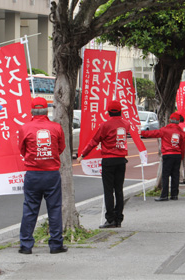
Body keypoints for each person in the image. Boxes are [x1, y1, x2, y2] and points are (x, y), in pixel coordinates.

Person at [18, 97, 67, 255]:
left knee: (30, 209)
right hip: (51, 173)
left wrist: (34, 158)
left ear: (32, 110)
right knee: (54, 209)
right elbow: (61, 148)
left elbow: (22, 149)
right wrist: (48, 158)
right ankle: (55, 244)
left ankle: (26, 245)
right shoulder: (56, 127)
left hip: (32, 173)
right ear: (47, 110)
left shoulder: (25, 128)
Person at [77, 100, 132, 228]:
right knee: (119, 190)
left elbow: (94, 141)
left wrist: (83, 155)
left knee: (108, 191)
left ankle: (110, 219)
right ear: (120, 111)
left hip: (108, 160)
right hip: (121, 160)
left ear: (108, 112)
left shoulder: (105, 125)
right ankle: (119, 219)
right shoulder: (126, 124)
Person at [142, 112, 185, 201]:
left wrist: (142, 133)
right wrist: (182, 156)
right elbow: (183, 145)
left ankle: (164, 195)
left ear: (170, 120)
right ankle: (174, 195)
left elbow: (153, 133)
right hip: (177, 154)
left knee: (165, 175)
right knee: (175, 175)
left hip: (167, 154)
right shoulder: (181, 131)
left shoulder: (165, 130)